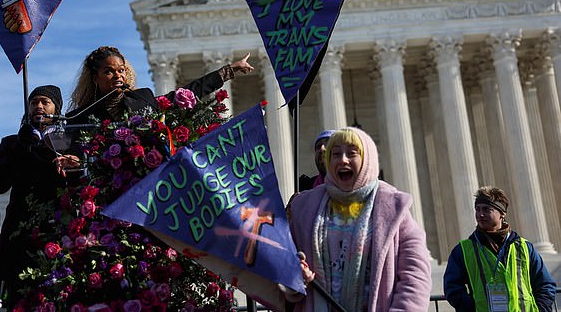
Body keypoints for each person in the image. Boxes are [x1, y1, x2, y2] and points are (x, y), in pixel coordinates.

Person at [286, 127, 432, 311]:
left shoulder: (394, 208)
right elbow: (284, 270)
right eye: (336, 154)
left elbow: (415, 277)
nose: (343, 160)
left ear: (367, 159)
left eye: (351, 153)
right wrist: (296, 277)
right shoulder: (305, 208)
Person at [0, 85, 79, 304]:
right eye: (33, 102)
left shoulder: (68, 141)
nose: (38, 106)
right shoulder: (11, 143)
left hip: (56, 234)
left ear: (56, 108)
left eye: (44, 102)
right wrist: (21, 147)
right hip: (18, 238)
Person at [67, 46, 254, 124]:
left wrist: (229, 70)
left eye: (121, 70)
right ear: (95, 78)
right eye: (108, 71)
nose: (117, 75)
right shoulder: (80, 117)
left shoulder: (142, 99)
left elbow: (187, 93)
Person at [443, 187, 556, 311]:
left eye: (486, 209)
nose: (480, 214)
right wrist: (470, 308)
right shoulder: (463, 250)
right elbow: (452, 287)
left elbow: (545, 285)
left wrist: (541, 309)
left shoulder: (524, 247)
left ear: (502, 213)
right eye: (477, 209)